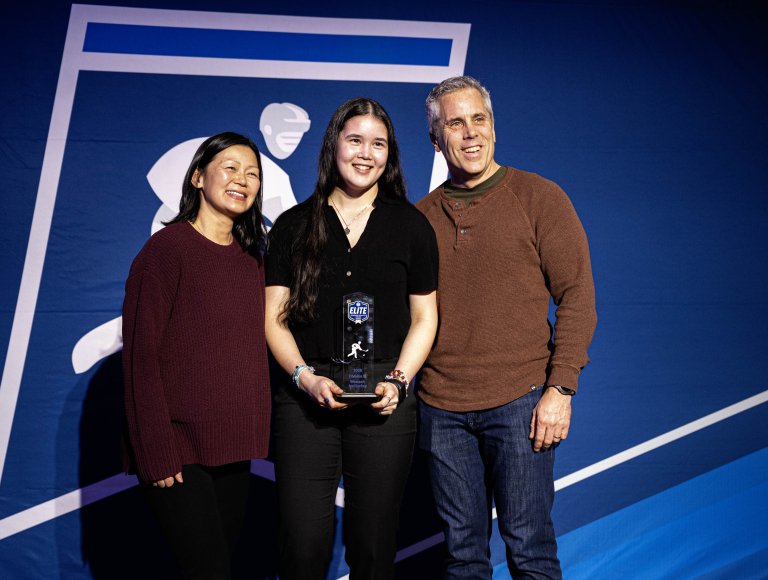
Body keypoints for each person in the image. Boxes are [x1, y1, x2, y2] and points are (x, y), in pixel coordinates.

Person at [415, 76, 597, 578]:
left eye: (480, 119)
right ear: (436, 139)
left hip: (522, 402)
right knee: (461, 558)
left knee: (530, 548)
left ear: (494, 128)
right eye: (455, 122)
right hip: (441, 409)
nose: (470, 132)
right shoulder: (419, 219)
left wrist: (560, 387)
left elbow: (578, 296)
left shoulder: (539, 197)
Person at [264, 97, 439, 579]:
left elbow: (425, 318)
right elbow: (273, 319)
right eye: (355, 139)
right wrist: (304, 378)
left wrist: (400, 381)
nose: (366, 153)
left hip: (386, 392)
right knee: (302, 544)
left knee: (375, 543)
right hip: (306, 394)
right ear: (333, 146)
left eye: (378, 143)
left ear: (391, 154)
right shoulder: (292, 226)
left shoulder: (411, 226)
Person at [121, 132, 271, 579]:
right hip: (178, 453)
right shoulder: (164, 253)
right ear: (197, 177)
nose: (242, 180)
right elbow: (139, 362)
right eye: (230, 168)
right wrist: (155, 450)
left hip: (235, 449)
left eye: (252, 173)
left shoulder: (254, 260)